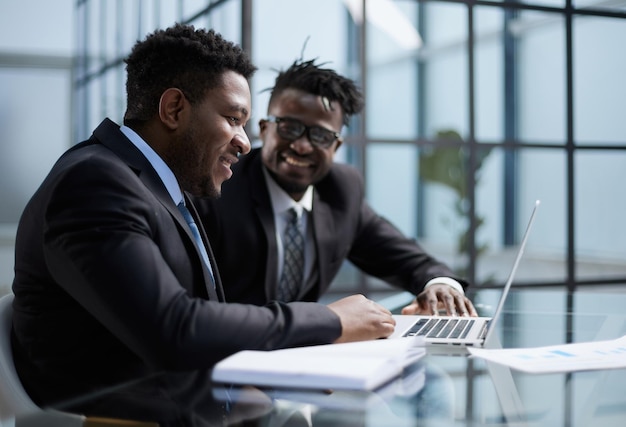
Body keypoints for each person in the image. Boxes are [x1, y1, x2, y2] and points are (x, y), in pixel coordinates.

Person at [10, 25, 395, 410]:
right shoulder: (95, 182)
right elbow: (174, 329)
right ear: (174, 109)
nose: (245, 142)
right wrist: (329, 321)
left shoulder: (161, 185)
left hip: (189, 398)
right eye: (233, 119)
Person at [194, 59, 478, 317]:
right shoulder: (218, 186)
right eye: (289, 127)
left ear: (336, 145)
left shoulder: (342, 190)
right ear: (265, 129)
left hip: (303, 360)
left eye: (320, 135)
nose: (302, 145)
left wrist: (441, 284)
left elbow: (403, 258)